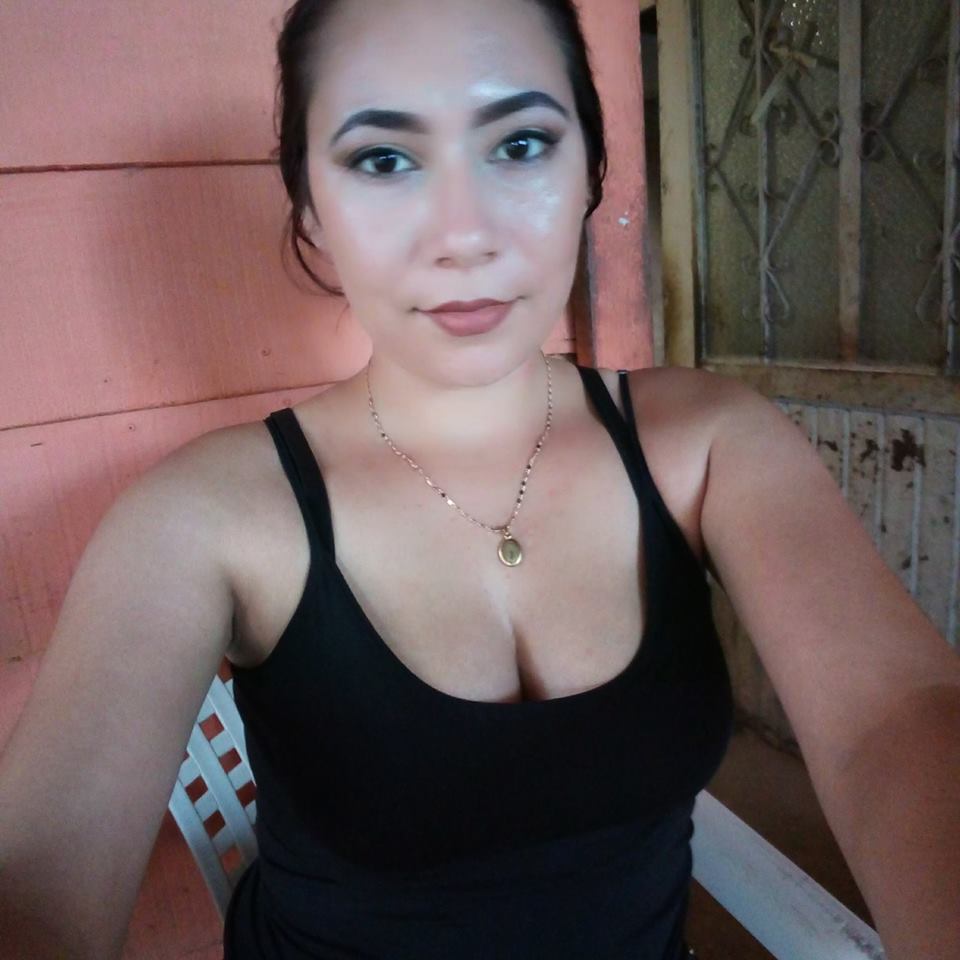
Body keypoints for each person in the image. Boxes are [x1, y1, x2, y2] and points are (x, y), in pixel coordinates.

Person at [1, 0, 959, 957]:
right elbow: (35, 873)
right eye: (384, 159)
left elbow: (894, 717)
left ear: (590, 170)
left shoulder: (709, 442)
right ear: (312, 212)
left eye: (521, 143)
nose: (464, 236)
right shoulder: (204, 515)